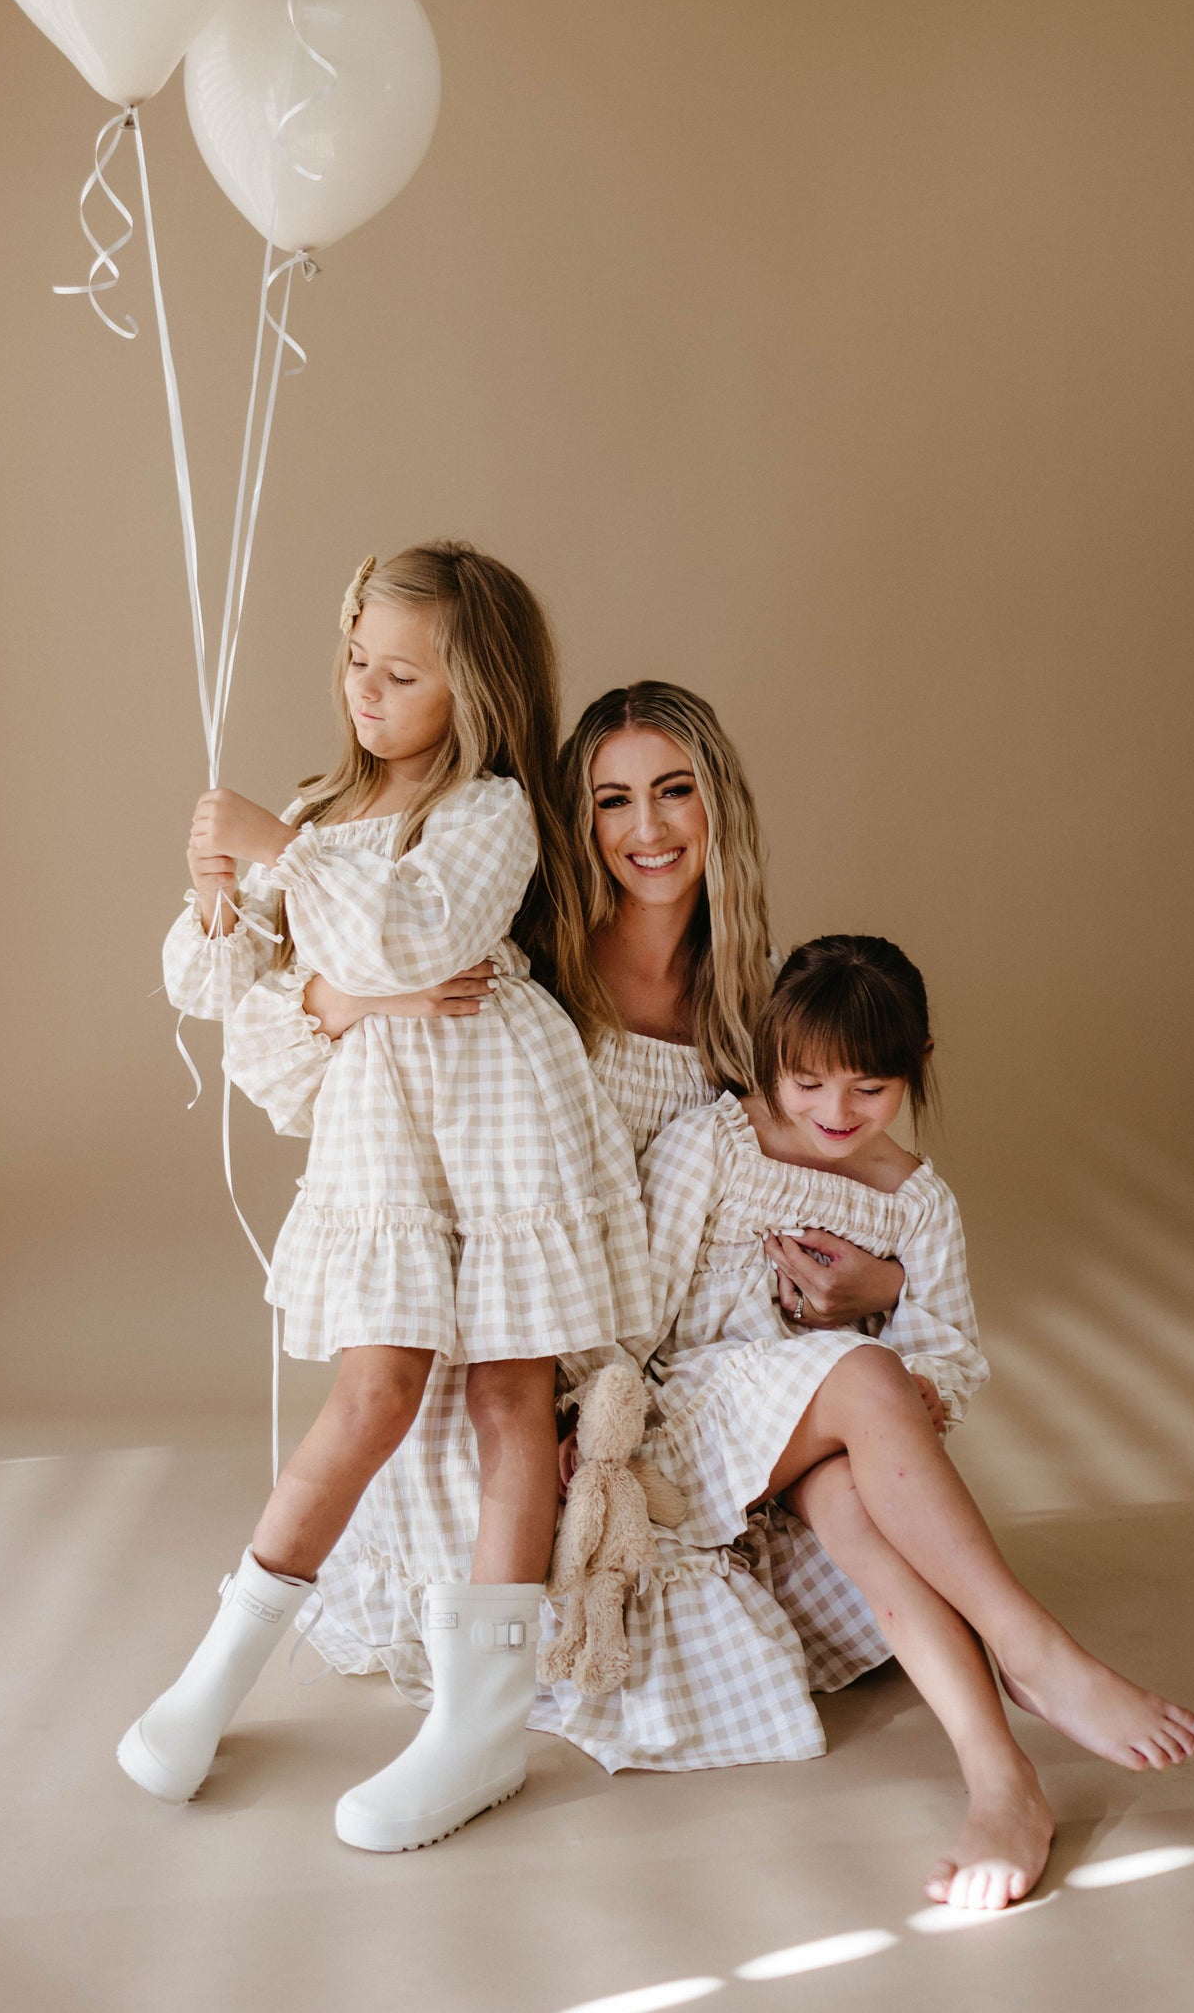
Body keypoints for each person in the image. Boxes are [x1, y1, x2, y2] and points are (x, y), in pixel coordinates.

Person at [117, 544, 652, 1854]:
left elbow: (407, 932)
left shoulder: (490, 810)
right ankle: (219, 1668)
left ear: (469, 691)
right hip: (382, 1135)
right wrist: (243, 904)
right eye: (357, 659)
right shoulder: (321, 805)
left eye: (401, 672)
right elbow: (226, 997)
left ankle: (480, 1726)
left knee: (510, 1390)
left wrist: (297, 873)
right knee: (371, 1390)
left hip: (498, 1119)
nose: (366, 688)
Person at [244, 683, 903, 1702]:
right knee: (513, 1499)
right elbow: (289, 1069)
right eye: (610, 800)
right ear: (576, 820)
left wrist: (884, 1278)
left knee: (851, 1430)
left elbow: (854, 1175)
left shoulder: (761, 996)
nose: (646, 828)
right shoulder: (524, 976)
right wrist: (350, 994)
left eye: (673, 791)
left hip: (687, 1343)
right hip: (519, 1347)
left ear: (715, 804)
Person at [560, 935, 1194, 1910]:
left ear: (916, 1067)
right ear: (768, 1053)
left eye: (866, 1089)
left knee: (862, 1498)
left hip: (818, 1448)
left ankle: (1001, 1783)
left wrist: (892, 1300)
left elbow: (946, 1358)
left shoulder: (917, 1204)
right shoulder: (714, 1146)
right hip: (692, 1418)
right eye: (805, 1082)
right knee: (865, 1373)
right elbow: (634, 1311)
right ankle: (1034, 1652)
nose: (831, 1113)